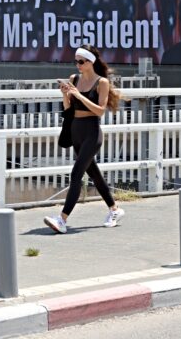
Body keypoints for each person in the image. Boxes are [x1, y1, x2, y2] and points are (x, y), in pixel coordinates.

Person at [44, 45, 125, 234]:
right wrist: (65, 95)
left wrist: (79, 94)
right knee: (94, 174)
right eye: (76, 61)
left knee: (76, 174)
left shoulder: (101, 82)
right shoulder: (74, 79)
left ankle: (62, 219)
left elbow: (100, 110)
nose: (78, 65)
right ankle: (115, 209)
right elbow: (69, 109)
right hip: (76, 130)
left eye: (81, 61)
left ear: (91, 62)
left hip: (92, 132)